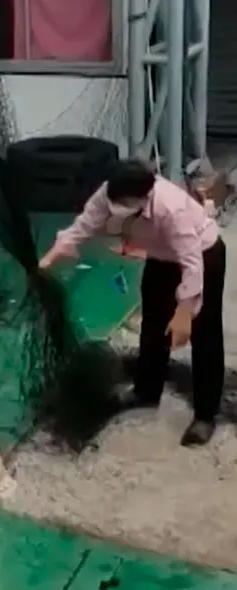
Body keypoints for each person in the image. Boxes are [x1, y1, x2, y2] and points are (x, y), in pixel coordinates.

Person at [39, 158, 226, 446]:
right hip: (161, 257)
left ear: (144, 196)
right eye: (116, 199)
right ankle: (146, 391)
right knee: (153, 324)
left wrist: (185, 312)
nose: (117, 207)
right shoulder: (109, 192)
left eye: (126, 202)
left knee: (204, 334)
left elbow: (193, 264)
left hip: (203, 254)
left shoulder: (170, 207)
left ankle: (205, 416)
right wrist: (52, 256)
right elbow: (84, 225)